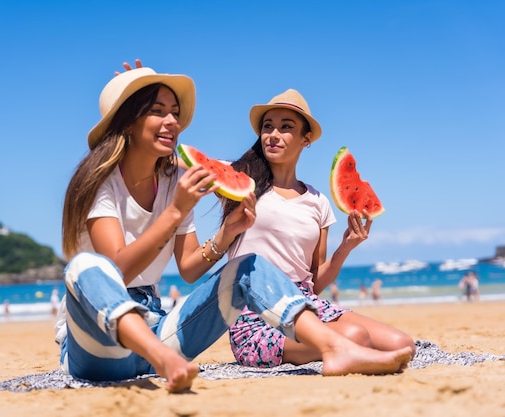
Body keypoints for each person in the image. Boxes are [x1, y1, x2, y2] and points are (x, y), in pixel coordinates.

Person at [55, 64, 413, 393]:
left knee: (248, 264)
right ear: (126, 121)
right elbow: (115, 273)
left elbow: (190, 269)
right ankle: (162, 359)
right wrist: (175, 212)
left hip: (158, 326)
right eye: (156, 110)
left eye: (174, 113)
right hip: (97, 346)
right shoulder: (102, 185)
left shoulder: (173, 182)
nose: (171, 122)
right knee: (84, 267)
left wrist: (228, 232)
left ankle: (334, 349)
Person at [223, 89, 416, 368]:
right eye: (268, 127)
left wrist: (346, 248)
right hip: (256, 314)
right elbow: (176, 165)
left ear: (306, 139)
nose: (274, 134)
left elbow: (314, 282)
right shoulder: (241, 183)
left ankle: (340, 349)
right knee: (355, 336)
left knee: (403, 344)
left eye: (286, 127)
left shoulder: (318, 202)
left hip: (308, 308)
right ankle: (340, 351)